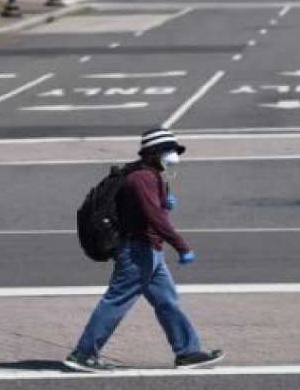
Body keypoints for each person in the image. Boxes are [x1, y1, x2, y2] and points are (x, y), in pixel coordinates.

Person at [65, 126, 225, 373]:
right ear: (151, 154)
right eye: (166, 151)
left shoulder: (151, 175)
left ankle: (188, 352)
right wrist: (182, 247)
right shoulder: (141, 179)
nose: (172, 155)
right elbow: (156, 218)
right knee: (116, 301)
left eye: (173, 150)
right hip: (137, 251)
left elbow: (154, 206)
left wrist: (165, 190)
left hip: (149, 250)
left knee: (167, 301)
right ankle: (83, 353)